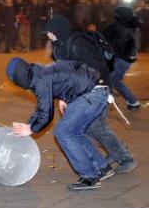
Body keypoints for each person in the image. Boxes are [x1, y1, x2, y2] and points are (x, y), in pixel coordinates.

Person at [43, 16, 137, 174]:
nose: (47, 35)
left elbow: (98, 67)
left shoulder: (77, 44)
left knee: (96, 126)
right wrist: (64, 97)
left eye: (49, 32)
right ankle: (116, 150)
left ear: (58, 30)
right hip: (82, 91)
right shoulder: (59, 46)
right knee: (84, 127)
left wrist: (104, 91)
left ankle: (125, 157)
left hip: (98, 88)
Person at [6, 57, 112, 191]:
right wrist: (65, 95)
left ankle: (89, 176)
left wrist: (32, 129)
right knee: (74, 131)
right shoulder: (37, 72)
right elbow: (70, 70)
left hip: (92, 94)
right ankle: (102, 167)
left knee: (63, 132)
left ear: (19, 78)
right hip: (93, 89)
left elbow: (47, 115)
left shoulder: (39, 81)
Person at [103, 7, 141, 111]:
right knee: (113, 80)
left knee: (112, 80)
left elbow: (102, 37)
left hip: (120, 58)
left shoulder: (117, 26)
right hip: (130, 58)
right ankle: (131, 101)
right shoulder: (134, 25)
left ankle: (133, 101)